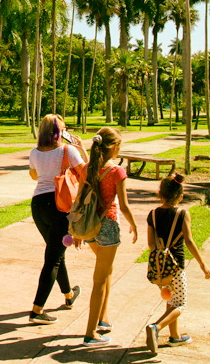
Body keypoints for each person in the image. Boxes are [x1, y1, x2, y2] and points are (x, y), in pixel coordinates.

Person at [79, 127, 137, 346]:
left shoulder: (87, 168)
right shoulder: (117, 172)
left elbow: (80, 199)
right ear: (112, 147)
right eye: (119, 146)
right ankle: (91, 332)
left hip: (90, 228)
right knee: (99, 280)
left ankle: (102, 319)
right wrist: (134, 225)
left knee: (107, 271)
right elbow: (123, 205)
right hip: (108, 227)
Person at [27, 114, 87, 324]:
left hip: (38, 205)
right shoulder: (68, 150)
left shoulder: (34, 153)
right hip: (59, 205)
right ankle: (37, 310)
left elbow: (34, 176)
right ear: (57, 132)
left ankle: (69, 295)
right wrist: (81, 149)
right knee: (52, 259)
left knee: (55, 252)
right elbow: (86, 174)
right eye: (63, 128)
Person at [144, 172, 210, 353]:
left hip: (159, 268)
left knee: (171, 300)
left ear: (160, 195)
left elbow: (151, 244)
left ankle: (175, 336)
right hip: (177, 267)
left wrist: (160, 259)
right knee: (180, 303)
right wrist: (202, 264)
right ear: (180, 196)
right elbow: (189, 241)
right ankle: (156, 328)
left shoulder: (152, 214)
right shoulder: (182, 214)